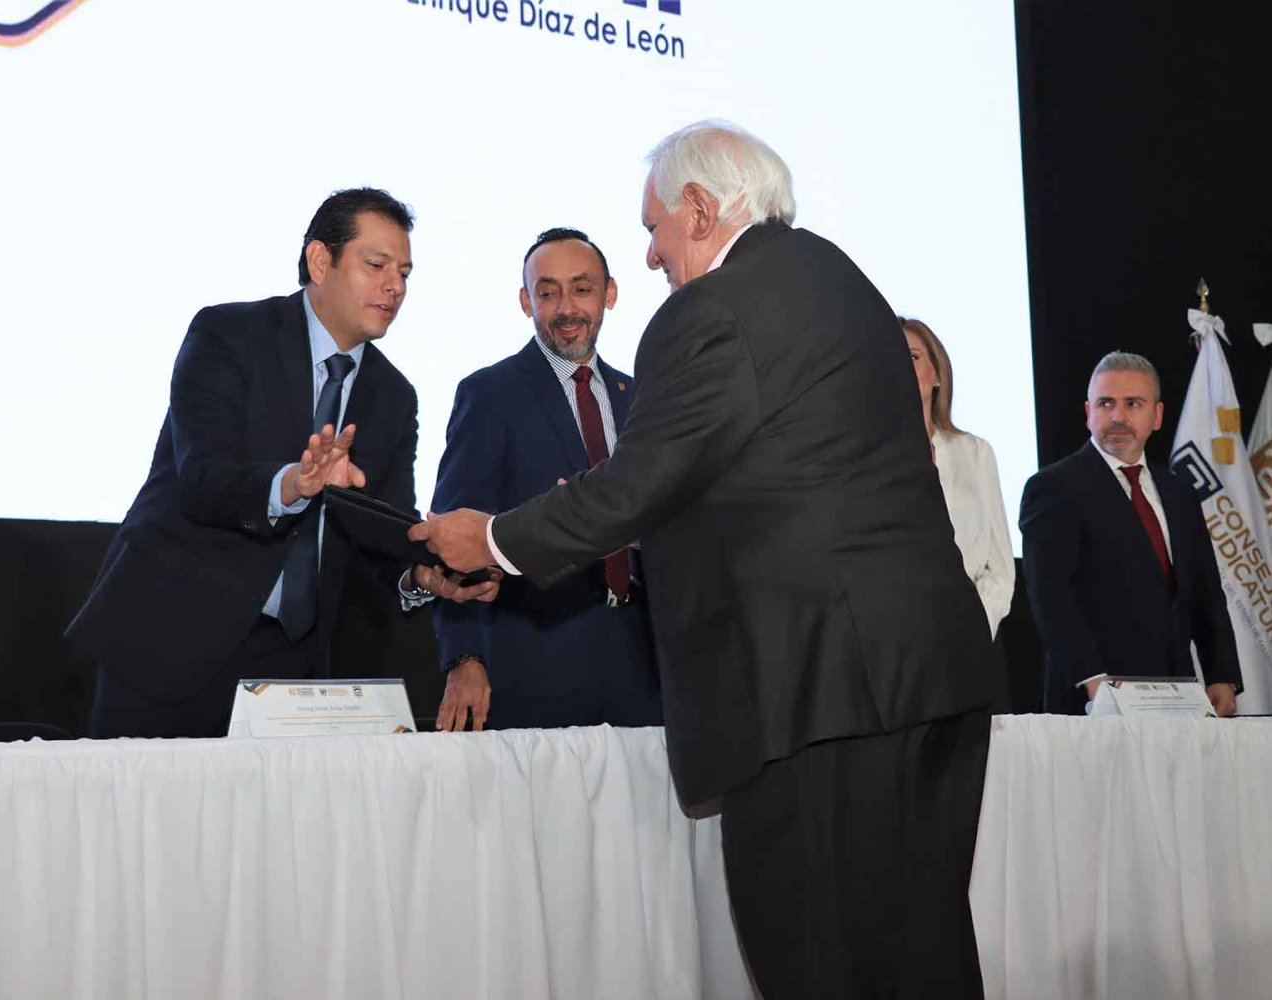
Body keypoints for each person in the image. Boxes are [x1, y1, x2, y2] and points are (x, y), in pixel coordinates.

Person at [412, 121, 996, 998]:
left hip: (818, 691)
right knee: (922, 953)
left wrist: (491, 539)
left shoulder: (712, 309)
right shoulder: (841, 280)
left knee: (821, 960)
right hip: (930, 671)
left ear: (698, 207)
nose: (650, 254)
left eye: (653, 228)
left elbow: (640, 483)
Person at [66, 188, 496, 739]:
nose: (396, 286)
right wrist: (292, 484)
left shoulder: (394, 397)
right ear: (320, 260)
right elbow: (201, 480)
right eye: (377, 265)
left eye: (405, 273)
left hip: (298, 667)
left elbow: (382, 536)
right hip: (172, 639)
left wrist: (419, 575)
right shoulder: (228, 335)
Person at [429, 228, 660, 731]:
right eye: (548, 292)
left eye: (582, 289)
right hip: (536, 669)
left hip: (644, 668)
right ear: (525, 301)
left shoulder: (644, 399)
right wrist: (464, 657)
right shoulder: (490, 394)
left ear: (609, 294)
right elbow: (455, 535)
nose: (566, 308)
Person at [1019, 350, 1241, 715]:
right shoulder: (1053, 487)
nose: (1118, 416)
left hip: (1178, 695)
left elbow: (1205, 590)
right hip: (1093, 700)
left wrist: (1221, 675)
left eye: (1133, 404)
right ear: (1089, 412)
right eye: (1106, 403)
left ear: (1157, 416)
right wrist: (1093, 680)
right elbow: (1052, 595)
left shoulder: (1179, 491)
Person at [900, 317, 1014, 638]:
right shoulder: (861, 456)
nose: (900, 365)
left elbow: (1000, 569)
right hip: (893, 636)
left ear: (936, 373)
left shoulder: (975, 453)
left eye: (912, 356)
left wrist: (971, 627)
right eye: (890, 356)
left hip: (966, 634)